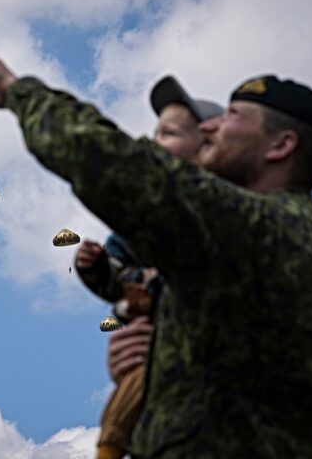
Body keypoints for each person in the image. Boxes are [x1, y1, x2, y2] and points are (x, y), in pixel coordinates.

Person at [0, 48, 312, 458]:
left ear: (281, 145)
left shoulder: (253, 228)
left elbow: (111, 161)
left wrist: (19, 92)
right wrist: (158, 363)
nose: (211, 127)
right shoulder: (296, 245)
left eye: (231, 117)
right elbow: (229, 373)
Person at [76, 76, 224, 459]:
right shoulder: (142, 219)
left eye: (170, 133)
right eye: (156, 131)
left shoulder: (225, 217)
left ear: (209, 146)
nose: (157, 140)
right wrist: (94, 267)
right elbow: (115, 274)